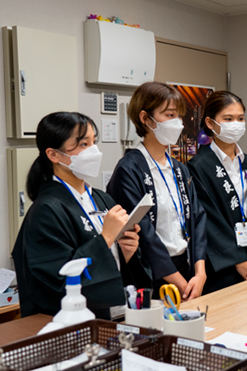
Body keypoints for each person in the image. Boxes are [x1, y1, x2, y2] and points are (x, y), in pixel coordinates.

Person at [12, 112, 151, 319]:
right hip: (71, 324)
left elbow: (119, 265)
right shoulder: (46, 211)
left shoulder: (102, 199)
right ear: (53, 154)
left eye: (94, 142)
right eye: (83, 144)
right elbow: (58, 282)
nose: (93, 151)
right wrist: (106, 238)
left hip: (114, 315)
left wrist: (127, 252)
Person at [107, 82, 207, 301]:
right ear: (145, 118)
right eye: (169, 115)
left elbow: (198, 218)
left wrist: (200, 273)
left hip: (188, 269)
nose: (178, 123)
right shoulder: (129, 169)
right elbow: (144, 232)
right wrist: (179, 282)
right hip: (153, 273)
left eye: (179, 116)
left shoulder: (179, 168)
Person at [188, 91, 247, 294]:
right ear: (211, 123)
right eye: (228, 119)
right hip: (223, 264)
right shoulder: (198, 166)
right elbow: (207, 218)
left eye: (240, 118)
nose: (236, 124)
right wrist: (237, 260)